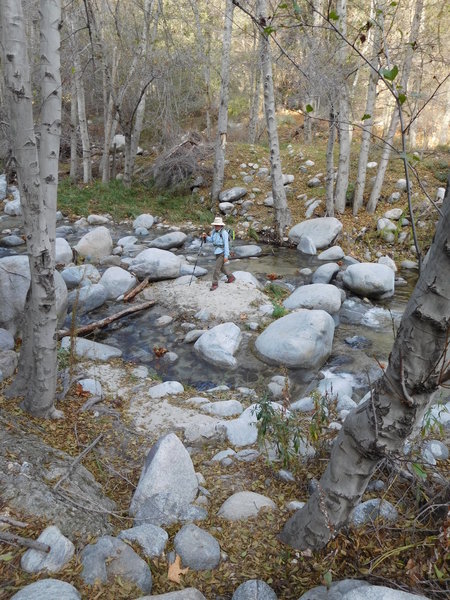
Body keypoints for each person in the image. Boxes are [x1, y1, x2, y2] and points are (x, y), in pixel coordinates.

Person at [202, 216, 236, 291]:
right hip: (217, 251)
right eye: (215, 225)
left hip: (222, 252)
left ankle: (214, 284)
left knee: (217, 268)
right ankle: (231, 277)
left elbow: (226, 245)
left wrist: (226, 256)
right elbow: (211, 240)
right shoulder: (214, 231)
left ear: (221, 225)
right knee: (221, 267)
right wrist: (206, 237)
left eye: (218, 225)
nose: (216, 226)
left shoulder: (224, 233)